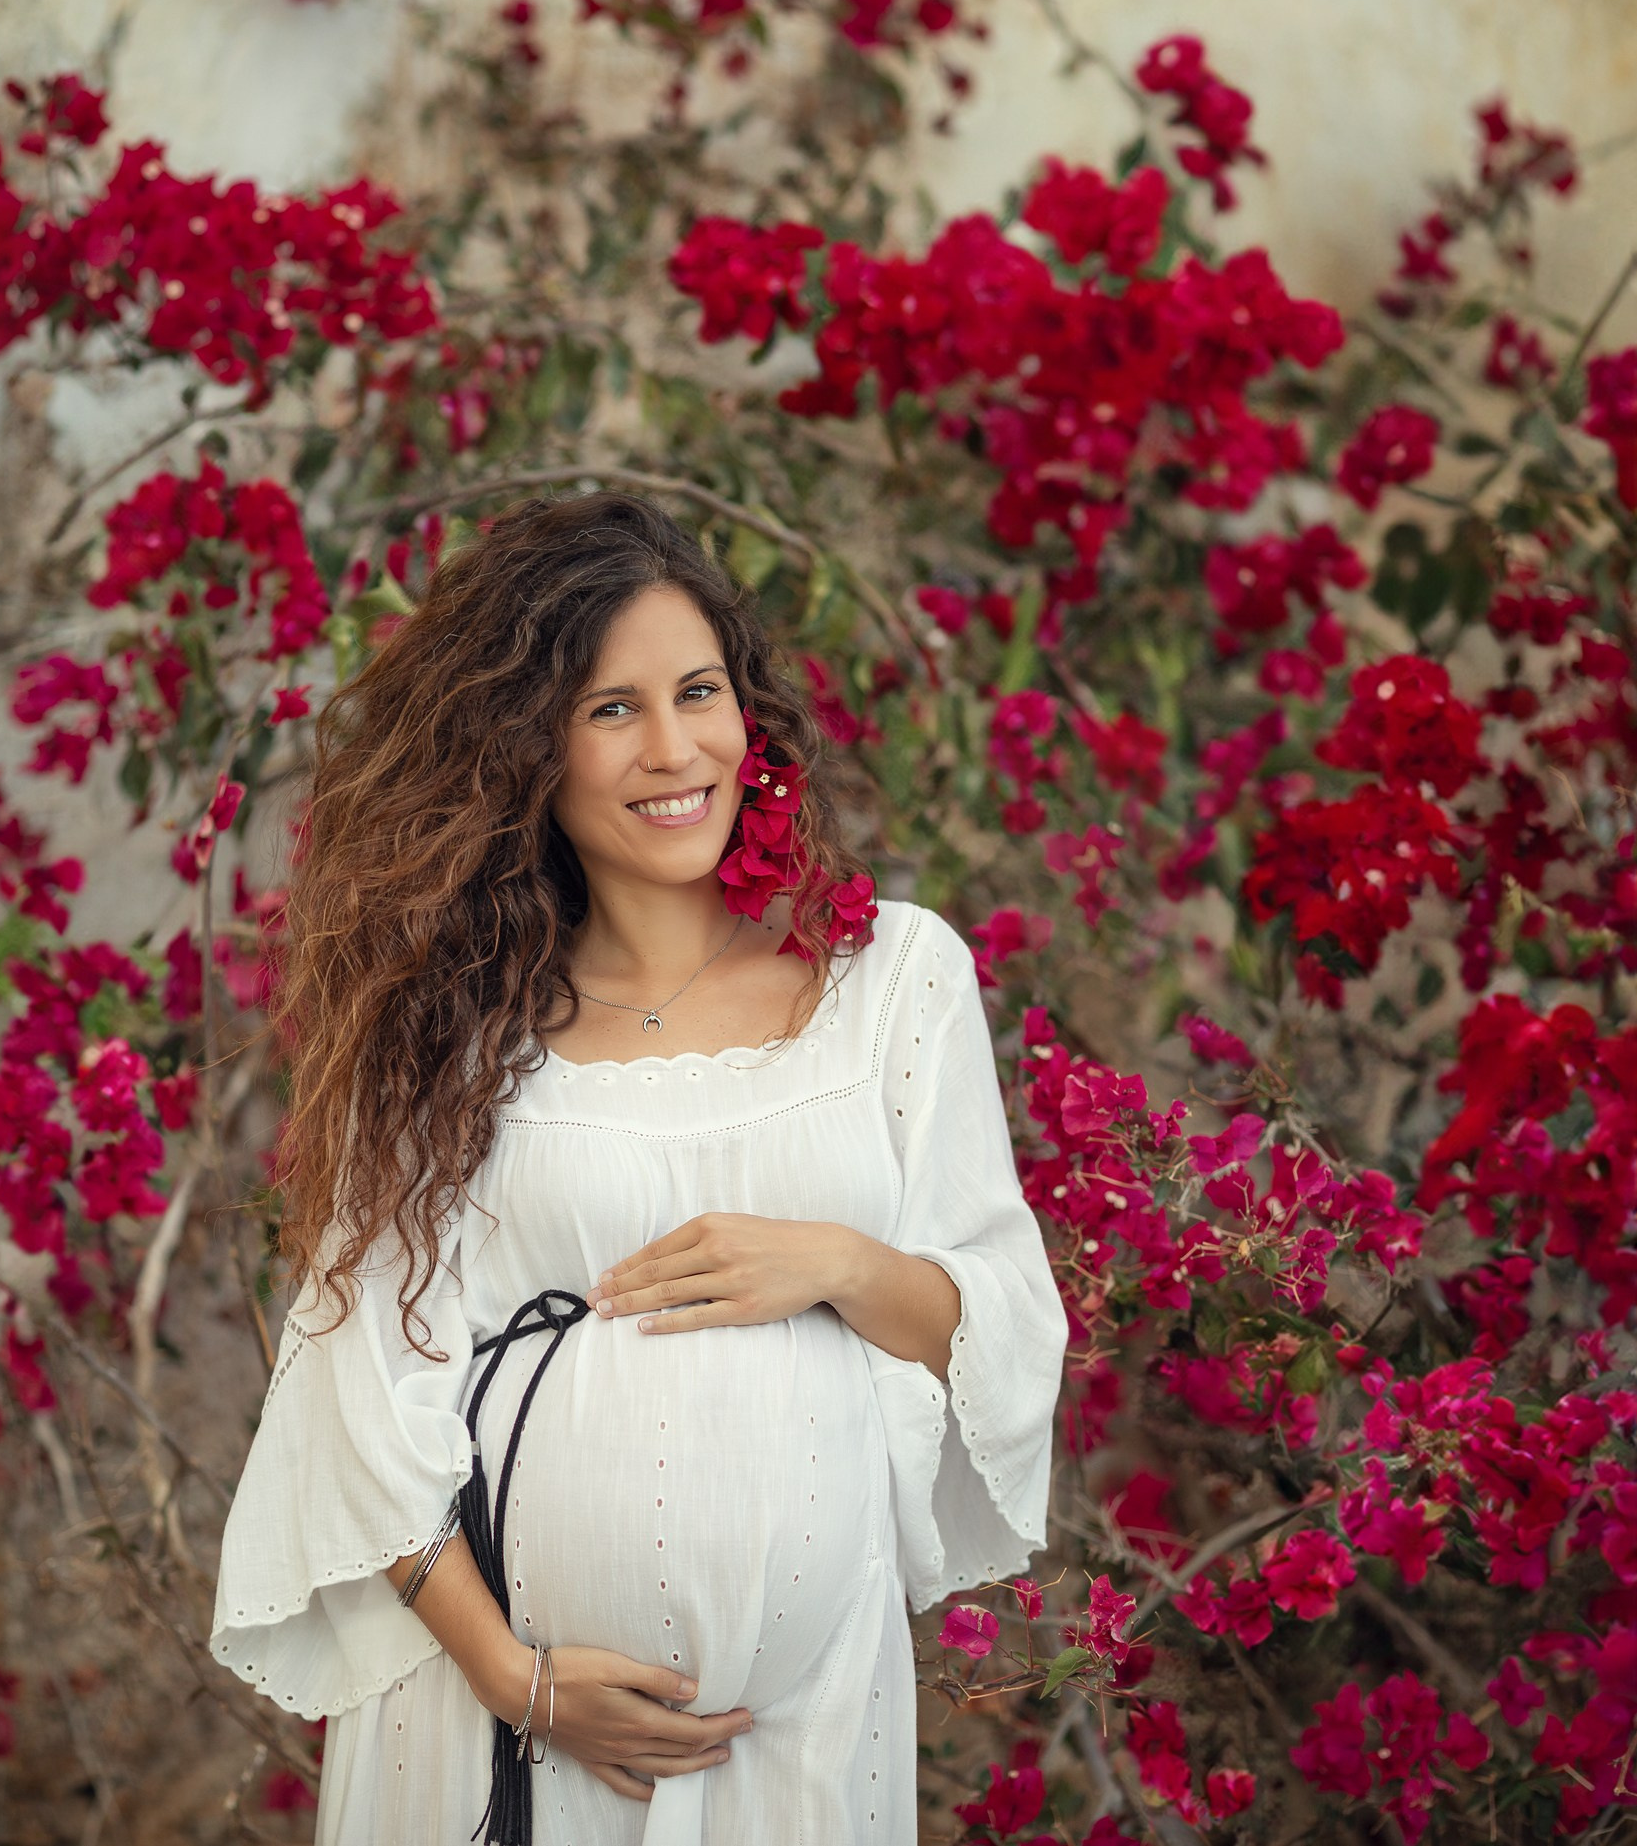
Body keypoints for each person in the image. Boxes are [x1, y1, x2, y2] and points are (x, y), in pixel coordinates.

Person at [210, 492, 1066, 1845]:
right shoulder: (451, 1025)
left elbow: (1002, 1325)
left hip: (806, 1725)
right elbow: (355, 1383)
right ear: (521, 750)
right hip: (501, 1727)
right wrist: (513, 1677)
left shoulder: (892, 977)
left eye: (698, 691)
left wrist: (835, 1262)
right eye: (610, 708)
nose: (675, 749)